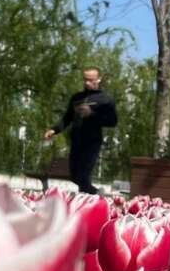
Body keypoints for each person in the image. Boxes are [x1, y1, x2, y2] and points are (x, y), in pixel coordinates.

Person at [44, 66, 118, 194]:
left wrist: (92, 114)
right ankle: (95, 195)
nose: (87, 83)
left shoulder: (105, 100)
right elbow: (67, 118)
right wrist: (54, 130)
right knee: (74, 176)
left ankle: (96, 196)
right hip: (76, 141)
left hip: (92, 143)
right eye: (85, 79)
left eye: (91, 80)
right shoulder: (76, 98)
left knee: (83, 177)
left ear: (99, 79)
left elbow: (113, 121)